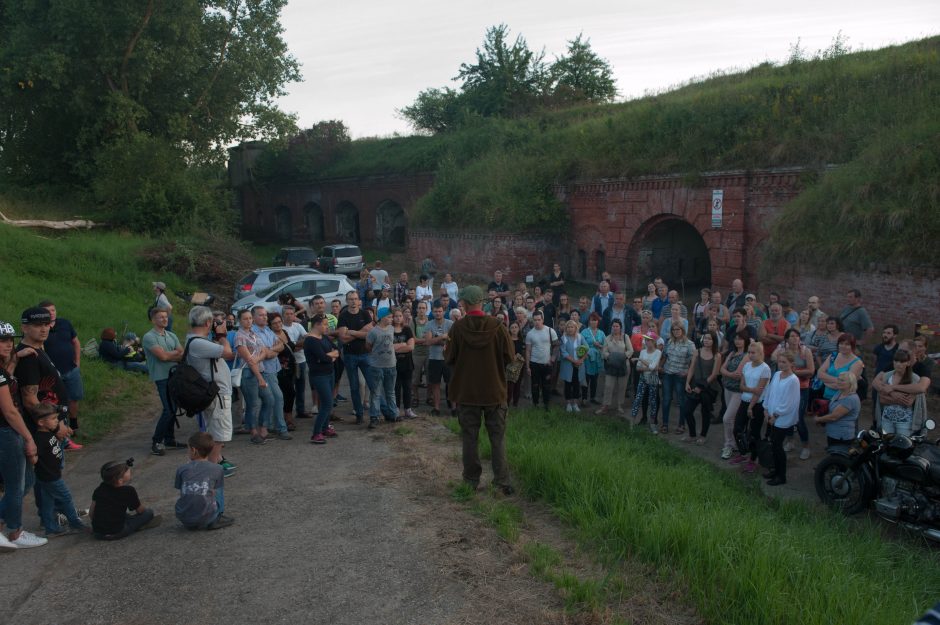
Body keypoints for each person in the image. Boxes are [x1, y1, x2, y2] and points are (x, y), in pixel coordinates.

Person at [444, 285, 514, 495]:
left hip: (467, 392)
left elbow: (449, 358)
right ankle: (502, 482)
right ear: (482, 302)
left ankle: (471, 481)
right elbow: (511, 358)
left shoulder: (457, 328)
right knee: (497, 438)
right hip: (494, 392)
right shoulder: (498, 326)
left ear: (464, 304)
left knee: (469, 438)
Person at [0, 320, 48, 549]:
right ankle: (15, 531)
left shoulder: (2, 369)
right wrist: (29, 439)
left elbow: (7, 379)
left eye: (10, 339)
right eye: (2, 340)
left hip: (11, 431)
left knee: (27, 479)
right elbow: (9, 411)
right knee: (15, 485)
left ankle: (5, 525)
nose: (8, 344)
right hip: (7, 432)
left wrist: (16, 358)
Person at [184, 306, 235, 472]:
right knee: (219, 435)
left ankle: (217, 461)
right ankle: (211, 470)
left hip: (214, 393)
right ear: (207, 322)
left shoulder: (195, 340)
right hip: (217, 394)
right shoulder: (198, 343)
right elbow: (228, 353)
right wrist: (222, 336)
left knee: (213, 430)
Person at [33, 401, 89, 537]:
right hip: (50, 477)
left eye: (56, 418)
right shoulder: (40, 439)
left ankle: (51, 528)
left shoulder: (49, 433)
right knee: (66, 497)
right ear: (41, 422)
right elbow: (34, 456)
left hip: (51, 475)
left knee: (48, 502)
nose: (56, 421)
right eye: (52, 419)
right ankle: (75, 524)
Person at [39, 301, 83, 450]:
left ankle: (74, 425)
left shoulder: (65, 323)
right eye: (47, 311)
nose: (51, 313)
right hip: (53, 374)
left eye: (53, 310)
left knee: (74, 397)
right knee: (58, 402)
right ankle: (62, 435)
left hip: (71, 369)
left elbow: (76, 342)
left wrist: (77, 362)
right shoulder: (41, 328)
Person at [142, 308, 185, 456]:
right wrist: (173, 354)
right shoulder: (149, 337)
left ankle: (169, 438)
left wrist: (169, 354)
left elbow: (183, 353)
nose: (164, 320)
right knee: (168, 409)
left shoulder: (171, 335)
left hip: (175, 375)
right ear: (153, 320)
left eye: (166, 317)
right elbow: (162, 357)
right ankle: (157, 441)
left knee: (173, 408)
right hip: (162, 377)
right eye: (161, 317)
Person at [175, 432, 233, 530]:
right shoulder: (218, 468)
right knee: (217, 488)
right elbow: (216, 490)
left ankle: (191, 514)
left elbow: (179, 487)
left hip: (184, 517)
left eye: (188, 449)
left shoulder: (182, 469)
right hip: (207, 517)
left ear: (193, 450)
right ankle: (218, 515)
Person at [91, 458, 160, 540]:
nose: (129, 470)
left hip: (98, 533)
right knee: (149, 513)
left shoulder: (99, 489)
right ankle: (137, 526)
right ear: (120, 481)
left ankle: (125, 523)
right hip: (117, 532)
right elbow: (140, 511)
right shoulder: (128, 491)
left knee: (120, 514)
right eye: (127, 471)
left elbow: (91, 513)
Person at [772, 329, 815, 461]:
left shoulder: (805, 351)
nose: (795, 338)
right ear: (787, 339)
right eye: (792, 336)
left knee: (799, 417)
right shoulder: (783, 351)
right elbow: (774, 359)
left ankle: (806, 446)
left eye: (797, 336)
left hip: (802, 388)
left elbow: (811, 370)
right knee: (788, 414)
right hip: (785, 388)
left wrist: (792, 373)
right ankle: (790, 441)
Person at [730, 342, 771, 474]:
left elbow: (760, 391)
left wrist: (751, 406)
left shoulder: (765, 369)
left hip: (757, 404)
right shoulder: (747, 365)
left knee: (754, 433)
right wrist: (750, 389)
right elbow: (741, 386)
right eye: (749, 352)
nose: (751, 355)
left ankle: (753, 459)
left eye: (753, 353)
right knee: (737, 428)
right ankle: (743, 453)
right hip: (745, 400)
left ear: (760, 353)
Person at [761, 351, 801, 485]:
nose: (781, 365)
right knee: (773, 444)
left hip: (781, 418)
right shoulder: (777, 374)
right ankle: (775, 469)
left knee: (777, 446)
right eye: (780, 362)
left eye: (784, 362)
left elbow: (788, 403)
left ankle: (781, 476)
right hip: (771, 415)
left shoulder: (793, 380)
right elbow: (770, 392)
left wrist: (776, 415)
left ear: (791, 364)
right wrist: (766, 408)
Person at [250, 307, 290, 440]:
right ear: (253, 317)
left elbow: (281, 345)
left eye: (265, 315)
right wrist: (271, 352)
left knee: (272, 400)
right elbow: (263, 354)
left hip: (274, 369)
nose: (264, 317)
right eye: (260, 315)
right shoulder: (253, 333)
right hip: (264, 371)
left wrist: (270, 350)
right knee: (277, 398)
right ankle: (280, 428)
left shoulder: (267, 329)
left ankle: (270, 426)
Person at [234, 309, 270, 445]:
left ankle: (263, 428)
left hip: (259, 370)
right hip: (249, 374)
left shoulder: (253, 333)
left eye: (250, 318)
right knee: (253, 404)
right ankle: (253, 432)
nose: (248, 321)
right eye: (245, 319)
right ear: (240, 320)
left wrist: (257, 358)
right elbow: (248, 360)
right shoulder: (240, 336)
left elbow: (264, 351)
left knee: (268, 399)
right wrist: (259, 377)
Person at [338, 291, 374, 425]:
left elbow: (370, 333)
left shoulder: (365, 314)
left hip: (365, 354)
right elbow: (343, 338)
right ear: (347, 301)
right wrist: (360, 333)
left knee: (372, 384)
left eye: (355, 299)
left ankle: (375, 414)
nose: (353, 301)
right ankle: (359, 414)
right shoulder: (343, 316)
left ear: (359, 301)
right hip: (350, 356)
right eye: (350, 299)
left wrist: (352, 332)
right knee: (354, 387)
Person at [304, 313, 340, 444]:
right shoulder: (310, 340)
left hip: (329, 372)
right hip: (319, 375)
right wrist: (330, 356)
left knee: (327, 402)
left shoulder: (324, 337)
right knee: (327, 403)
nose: (327, 327)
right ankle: (316, 433)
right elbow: (322, 358)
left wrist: (329, 356)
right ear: (317, 325)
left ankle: (325, 428)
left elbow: (336, 350)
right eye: (325, 324)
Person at [874, 349, 927, 437]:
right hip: (887, 419)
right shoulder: (887, 376)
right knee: (886, 445)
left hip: (905, 422)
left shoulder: (914, 379)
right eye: (896, 361)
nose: (898, 364)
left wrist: (889, 395)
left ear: (908, 363)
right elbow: (881, 399)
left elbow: (908, 402)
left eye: (902, 361)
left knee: (902, 447)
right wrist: (895, 394)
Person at [681, 330, 722, 444]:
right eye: (705, 338)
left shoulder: (717, 355)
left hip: (709, 388)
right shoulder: (697, 352)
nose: (706, 340)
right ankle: (692, 434)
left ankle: (703, 435)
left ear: (714, 341)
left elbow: (714, 374)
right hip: (695, 386)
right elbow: (692, 368)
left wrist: (702, 387)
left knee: (705, 412)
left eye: (709, 339)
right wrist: (687, 382)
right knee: (687, 410)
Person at [719, 331, 750, 460]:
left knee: (727, 418)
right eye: (736, 339)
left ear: (745, 341)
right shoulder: (732, 353)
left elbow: (738, 373)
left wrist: (727, 373)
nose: (738, 341)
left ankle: (728, 445)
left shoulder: (747, 355)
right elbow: (721, 369)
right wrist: (728, 374)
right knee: (731, 419)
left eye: (741, 339)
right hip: (728, 388)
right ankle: (733, 443)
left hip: (738, 391)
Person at [366, 308, 399, 428]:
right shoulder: (373, 332)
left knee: (390, 392)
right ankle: (374, 416)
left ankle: (393, 413)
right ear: (382, 317)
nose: (391, 319)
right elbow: (368, 346)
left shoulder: (391, 328)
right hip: (377, 366)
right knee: (376, 392)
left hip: (391, 365)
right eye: (389, 317)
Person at [660, 325, 695, 434]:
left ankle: (681, 424)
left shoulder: (689, 344)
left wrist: (687, 373)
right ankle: (665, 424)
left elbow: (693, 362)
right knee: (666, 399)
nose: (676, 331)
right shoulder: (669, 342)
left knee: (681, 401)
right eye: (673, 330)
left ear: (683, 330)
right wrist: (660, 367)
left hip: (680, 375)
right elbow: (665, 356)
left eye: (678, 329)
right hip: (668, 373)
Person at [814, 372, 860, 449]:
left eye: (842, 380)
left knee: (838, 458)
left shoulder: (851, 398)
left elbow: (834, 417)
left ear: (850, 383)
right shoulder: (839, 392)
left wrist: (819, 419)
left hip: (842, 436)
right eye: (838, 379)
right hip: (833, 433)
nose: (838, 381)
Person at [269, 312, 297, 432]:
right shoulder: (271, 336)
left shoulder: (284, 332)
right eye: (274, 323)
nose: (278, 325)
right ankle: (287, 419)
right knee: (288, 393)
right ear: (270, 325)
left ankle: (286, 417)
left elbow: (291, 347)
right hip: (280, 370)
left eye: (279, 322)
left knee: (288, 393)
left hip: (290, 368)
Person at [281, 305, 310, 423]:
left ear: (294, 315)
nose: (289, 316)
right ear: (283, 315)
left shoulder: (298, 326)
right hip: (288, 363)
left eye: (291, 314)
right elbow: (285, 346)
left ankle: (301, 410)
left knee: (301, 387)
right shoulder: (280, 328)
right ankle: (287, 413)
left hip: (301, 360)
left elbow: (307, 338)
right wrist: (294, 346)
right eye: (287, 314)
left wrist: (295, 345)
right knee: (289, 389)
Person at [598, 319, 632, 416]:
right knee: (608, 386)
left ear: (620, 327)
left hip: (623, 365)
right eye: (613, 326)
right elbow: (604, 352)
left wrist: (621, 357)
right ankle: (605, 406)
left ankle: (619, 406)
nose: (615, 328)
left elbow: (630, 350)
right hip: (611, 365)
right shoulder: (607, 338)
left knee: (622, 386)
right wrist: (611, 357)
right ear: (611, 327)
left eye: (617, 326)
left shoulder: (626, 337)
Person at [816, 333, 864, 401]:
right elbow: (819, 374)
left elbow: (847, 385)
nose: (843, 346)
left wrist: (826, 382)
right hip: (825, 397)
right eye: (841, 343)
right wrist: (839, 380)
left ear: (852, 346)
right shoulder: (833, 356)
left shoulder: (857, 363)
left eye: (847, 344)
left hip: (842, 400)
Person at [425, 303, 453, 417]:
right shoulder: (429, 324)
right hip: (434, 358)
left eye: (440, 311)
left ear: (444, 311)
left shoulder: (451, 324)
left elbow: (453, 341)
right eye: (435, 311)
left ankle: (454, 408)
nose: (438, 313)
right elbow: (428, 342)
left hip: (448, 359)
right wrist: (442, 338)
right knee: (435, 384)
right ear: (432, 312)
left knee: (451, 384)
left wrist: (436, 340)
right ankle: (436, 408)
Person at [525, 311, 557, 410]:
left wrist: (552, 359)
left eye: (539, 320)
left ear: (542, 319)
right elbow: (528, 351)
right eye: (535, 320)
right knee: (535, 385)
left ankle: (546, 405)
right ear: (532, 320)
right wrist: (527, 366)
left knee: (546, 386)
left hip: (547, 364)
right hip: (534, 364)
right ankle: (535, 404)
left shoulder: (550, 331)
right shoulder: (530, 334)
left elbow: (556, 346)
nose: (537, 322)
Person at [631, 334, 662, 431]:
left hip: (652, 379)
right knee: (637, 399)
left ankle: (652, 424)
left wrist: (640, 359)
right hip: (643, 378)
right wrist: (649, 367)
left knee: (653, 401)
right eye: (646, 340)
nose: (646, 341)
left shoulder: (657, 352)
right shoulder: (643, 351)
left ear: (654, 341)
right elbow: (638, 368)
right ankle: (631, 423)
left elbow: (653, 368)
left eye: (649, 340)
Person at [391, 308, 416, 418]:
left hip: (407, 364)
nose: (398, 318)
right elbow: (387, 347)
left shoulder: (407, 330)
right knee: (395, 388)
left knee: (407, 387)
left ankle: (408, 409)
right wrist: (403, 344)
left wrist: (395, 348)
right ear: (392, 317)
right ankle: (395, 409)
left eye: (400, 316)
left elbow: (411, 347)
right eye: (396, 316)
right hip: (393, 364)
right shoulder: (389, 330)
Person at [559, 320, 587, 413]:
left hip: (579, 365)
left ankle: (575, 403)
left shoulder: (580, 337)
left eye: (572, 327)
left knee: (576, 384)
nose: (570, 329)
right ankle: (568, 404)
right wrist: (574, 361)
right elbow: (563, 352)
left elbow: (586, 348)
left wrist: (581, 360)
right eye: (568, 327)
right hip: (568, 365)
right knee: (567, 384)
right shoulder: (564, 338)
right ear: (566, 328)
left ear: (576, 328)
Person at [580, 313, 605, 405]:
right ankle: (584, 398)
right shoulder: (584, 332)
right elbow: (580, 345)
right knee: (586, 378)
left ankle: (593, 397)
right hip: (587, 358)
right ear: (589, 321)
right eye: (591, 320)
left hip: (597, 359)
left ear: (598, 321)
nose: (593, 322)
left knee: (595, 379)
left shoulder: (601, 333)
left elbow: (605, 346)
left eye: (595, 320)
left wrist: (599, 345)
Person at [411, 301, 431, 411]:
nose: (421, 310)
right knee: (415, 378)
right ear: (417, 309)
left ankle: (429, 397)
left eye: (423, 308)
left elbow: (431, 338)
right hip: (417, 354)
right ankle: (416, 398)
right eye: (420, 308)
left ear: (426, 309)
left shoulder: (430, 321)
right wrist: (426, 340)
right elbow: (413, 339)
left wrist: (424, 341)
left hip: (428, 353)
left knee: (430, 378)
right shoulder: (413, 322)